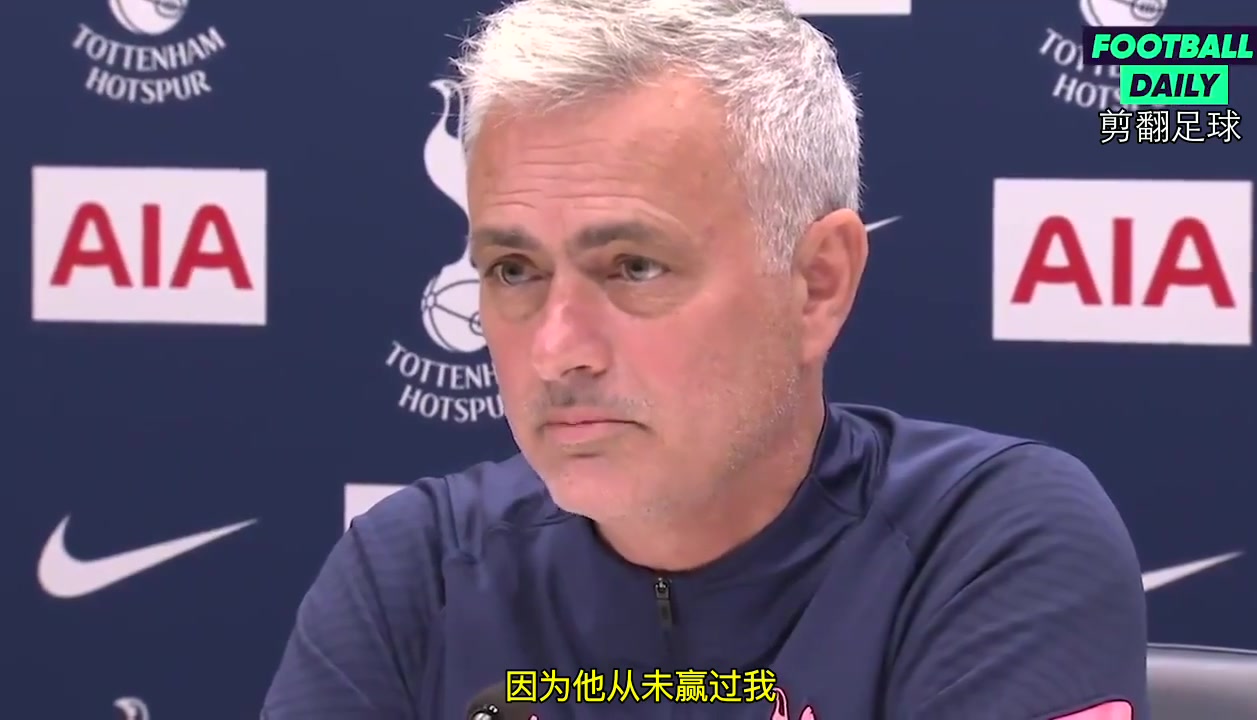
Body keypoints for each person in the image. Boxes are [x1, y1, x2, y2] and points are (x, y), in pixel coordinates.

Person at [262, 1, 1149, 718]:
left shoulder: (987, 543)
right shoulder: (416, 570)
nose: (557, 349)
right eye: (514, 271)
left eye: (634, 267)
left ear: (817, 283)